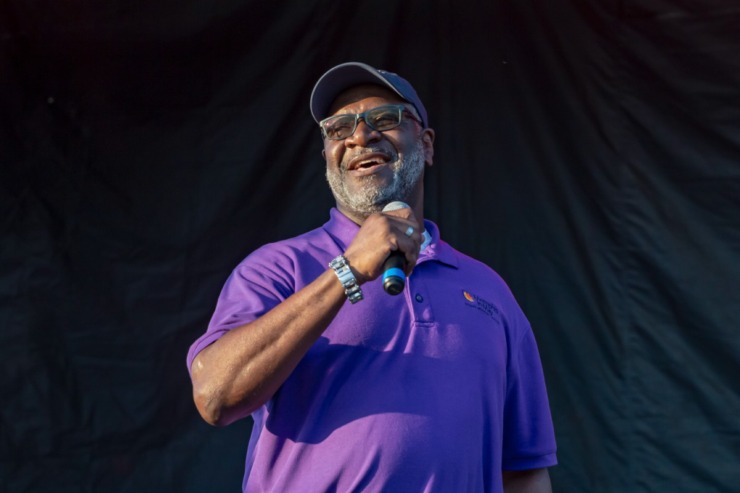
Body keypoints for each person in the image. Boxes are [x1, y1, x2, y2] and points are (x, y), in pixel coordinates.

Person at [187, 62, 557, 492]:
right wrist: (348, 269)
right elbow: (216, 395)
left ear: (428, 144)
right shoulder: (276, 268)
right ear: (327, 154)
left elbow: (524, 469)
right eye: (338, 128)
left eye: (385, 119)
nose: (360, 136)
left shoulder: (489, 290)